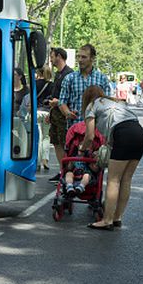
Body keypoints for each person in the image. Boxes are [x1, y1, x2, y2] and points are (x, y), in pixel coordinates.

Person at [80, 85, 143, 230]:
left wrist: (82, 148)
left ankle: (107, 220)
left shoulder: (92, 105)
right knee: (126, 179)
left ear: (86, 98)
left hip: (123, 135)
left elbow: (90, 136)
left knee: (113, 180)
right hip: (140, 134)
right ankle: (117, 217)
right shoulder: (116, 102)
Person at [58, 43, 110, 129]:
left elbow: (107, 103)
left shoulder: (102, 78)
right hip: (75, 127)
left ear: (92, 58)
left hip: (96, 128)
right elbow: (62, 101)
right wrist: (67, 112)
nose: (80, 60)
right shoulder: (70, 78)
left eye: (84, 57)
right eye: (78, 56)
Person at [47, 47, 73, 182]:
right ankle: (62, 170)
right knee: (56, 142)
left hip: (63, 115)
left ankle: (68, 172)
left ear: (59, 56)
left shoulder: (69, 74)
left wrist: (59, 103)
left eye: (52, 56)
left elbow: (72, 97)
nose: (50, 59)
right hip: (55, 114)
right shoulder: (58, 74)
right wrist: (50, 112)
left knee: (64, 144)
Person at [35, 66, 54, 171]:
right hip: (47, 112)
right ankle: (45, 159)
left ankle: (37, 162)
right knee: (46, 137)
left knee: (38, 137)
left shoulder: (35, 84)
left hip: (36, 112)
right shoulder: (51, 85)